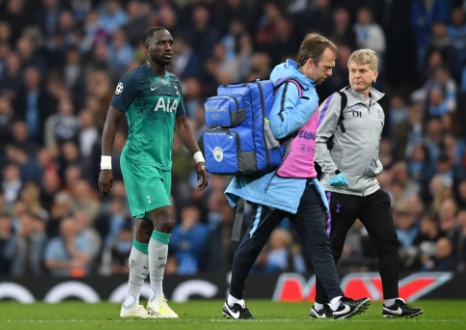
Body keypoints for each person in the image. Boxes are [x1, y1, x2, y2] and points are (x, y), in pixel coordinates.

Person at [223, 33, 370, 320]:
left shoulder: (302, 86)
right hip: (276, 183)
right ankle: (233, 301)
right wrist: (309, 104)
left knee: (320, 244)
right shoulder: (292, 86)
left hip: (302, 180)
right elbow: (278, 128)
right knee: (253, 243)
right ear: (311, 63)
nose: (330, 72)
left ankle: (330, 304)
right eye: (327, 67)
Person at [98, 27, 209, 319]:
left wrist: (198, 158)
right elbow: (111, 121)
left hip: (163, 164)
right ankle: (157, 298)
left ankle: (130, 303)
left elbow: (183, 123)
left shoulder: (173, 83)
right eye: (162, 43)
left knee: (146, 229)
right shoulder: (134, 79)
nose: (169, 47)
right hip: (138, 161)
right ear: (147, 48)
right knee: (166, 220)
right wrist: (105, 165)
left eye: (171, 42)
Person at [314, 49, 424, 318]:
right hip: (339, 189)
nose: (357, 75)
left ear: (375, 74)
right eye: (353, 70)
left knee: (388, 243)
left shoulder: (378, 108)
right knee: (332, 249)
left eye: (363, 70)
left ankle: (392, 303)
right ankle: (320, 306)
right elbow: (316, 140)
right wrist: (332, 171)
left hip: (369, 189)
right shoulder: (338, 100)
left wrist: (373, 170)